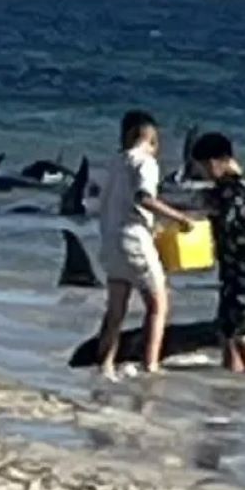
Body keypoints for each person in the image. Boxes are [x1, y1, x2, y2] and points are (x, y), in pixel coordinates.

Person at [95, 110, 196, 377]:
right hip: (134, 241)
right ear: (149, 137)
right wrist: (180, 218)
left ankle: (105, 364)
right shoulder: (145, 163)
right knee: (157, 305)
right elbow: (144, 198)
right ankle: (150, 365)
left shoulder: (115, 163)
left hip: (110, 242)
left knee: (115, 310)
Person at [191, 132, 245, 374]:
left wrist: (195, 217)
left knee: (243, 330)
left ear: (217, 161)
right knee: (226, 328)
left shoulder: (239, 189)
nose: (204, 174)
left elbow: (225, 218)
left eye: (205, 168)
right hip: (232, 268)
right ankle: (232, 378)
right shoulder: (226, 188)